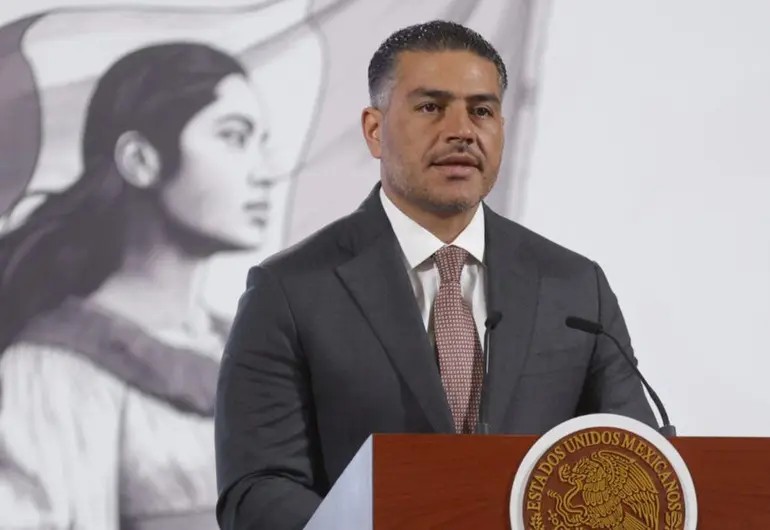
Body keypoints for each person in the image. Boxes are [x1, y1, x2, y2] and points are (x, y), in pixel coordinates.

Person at [215, 20, 657, 530]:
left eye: (481, 111)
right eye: (431, 107)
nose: (462, 130)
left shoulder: (575, 288)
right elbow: (258, 489)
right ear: (374, 130)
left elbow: (638, 462)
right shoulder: (290, 291)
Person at [0, 42, 277, 529]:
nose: (266, 173)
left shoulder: (251, 347)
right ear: (140, 159)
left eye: (262, 143)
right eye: (234, 137)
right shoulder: (56, 369)